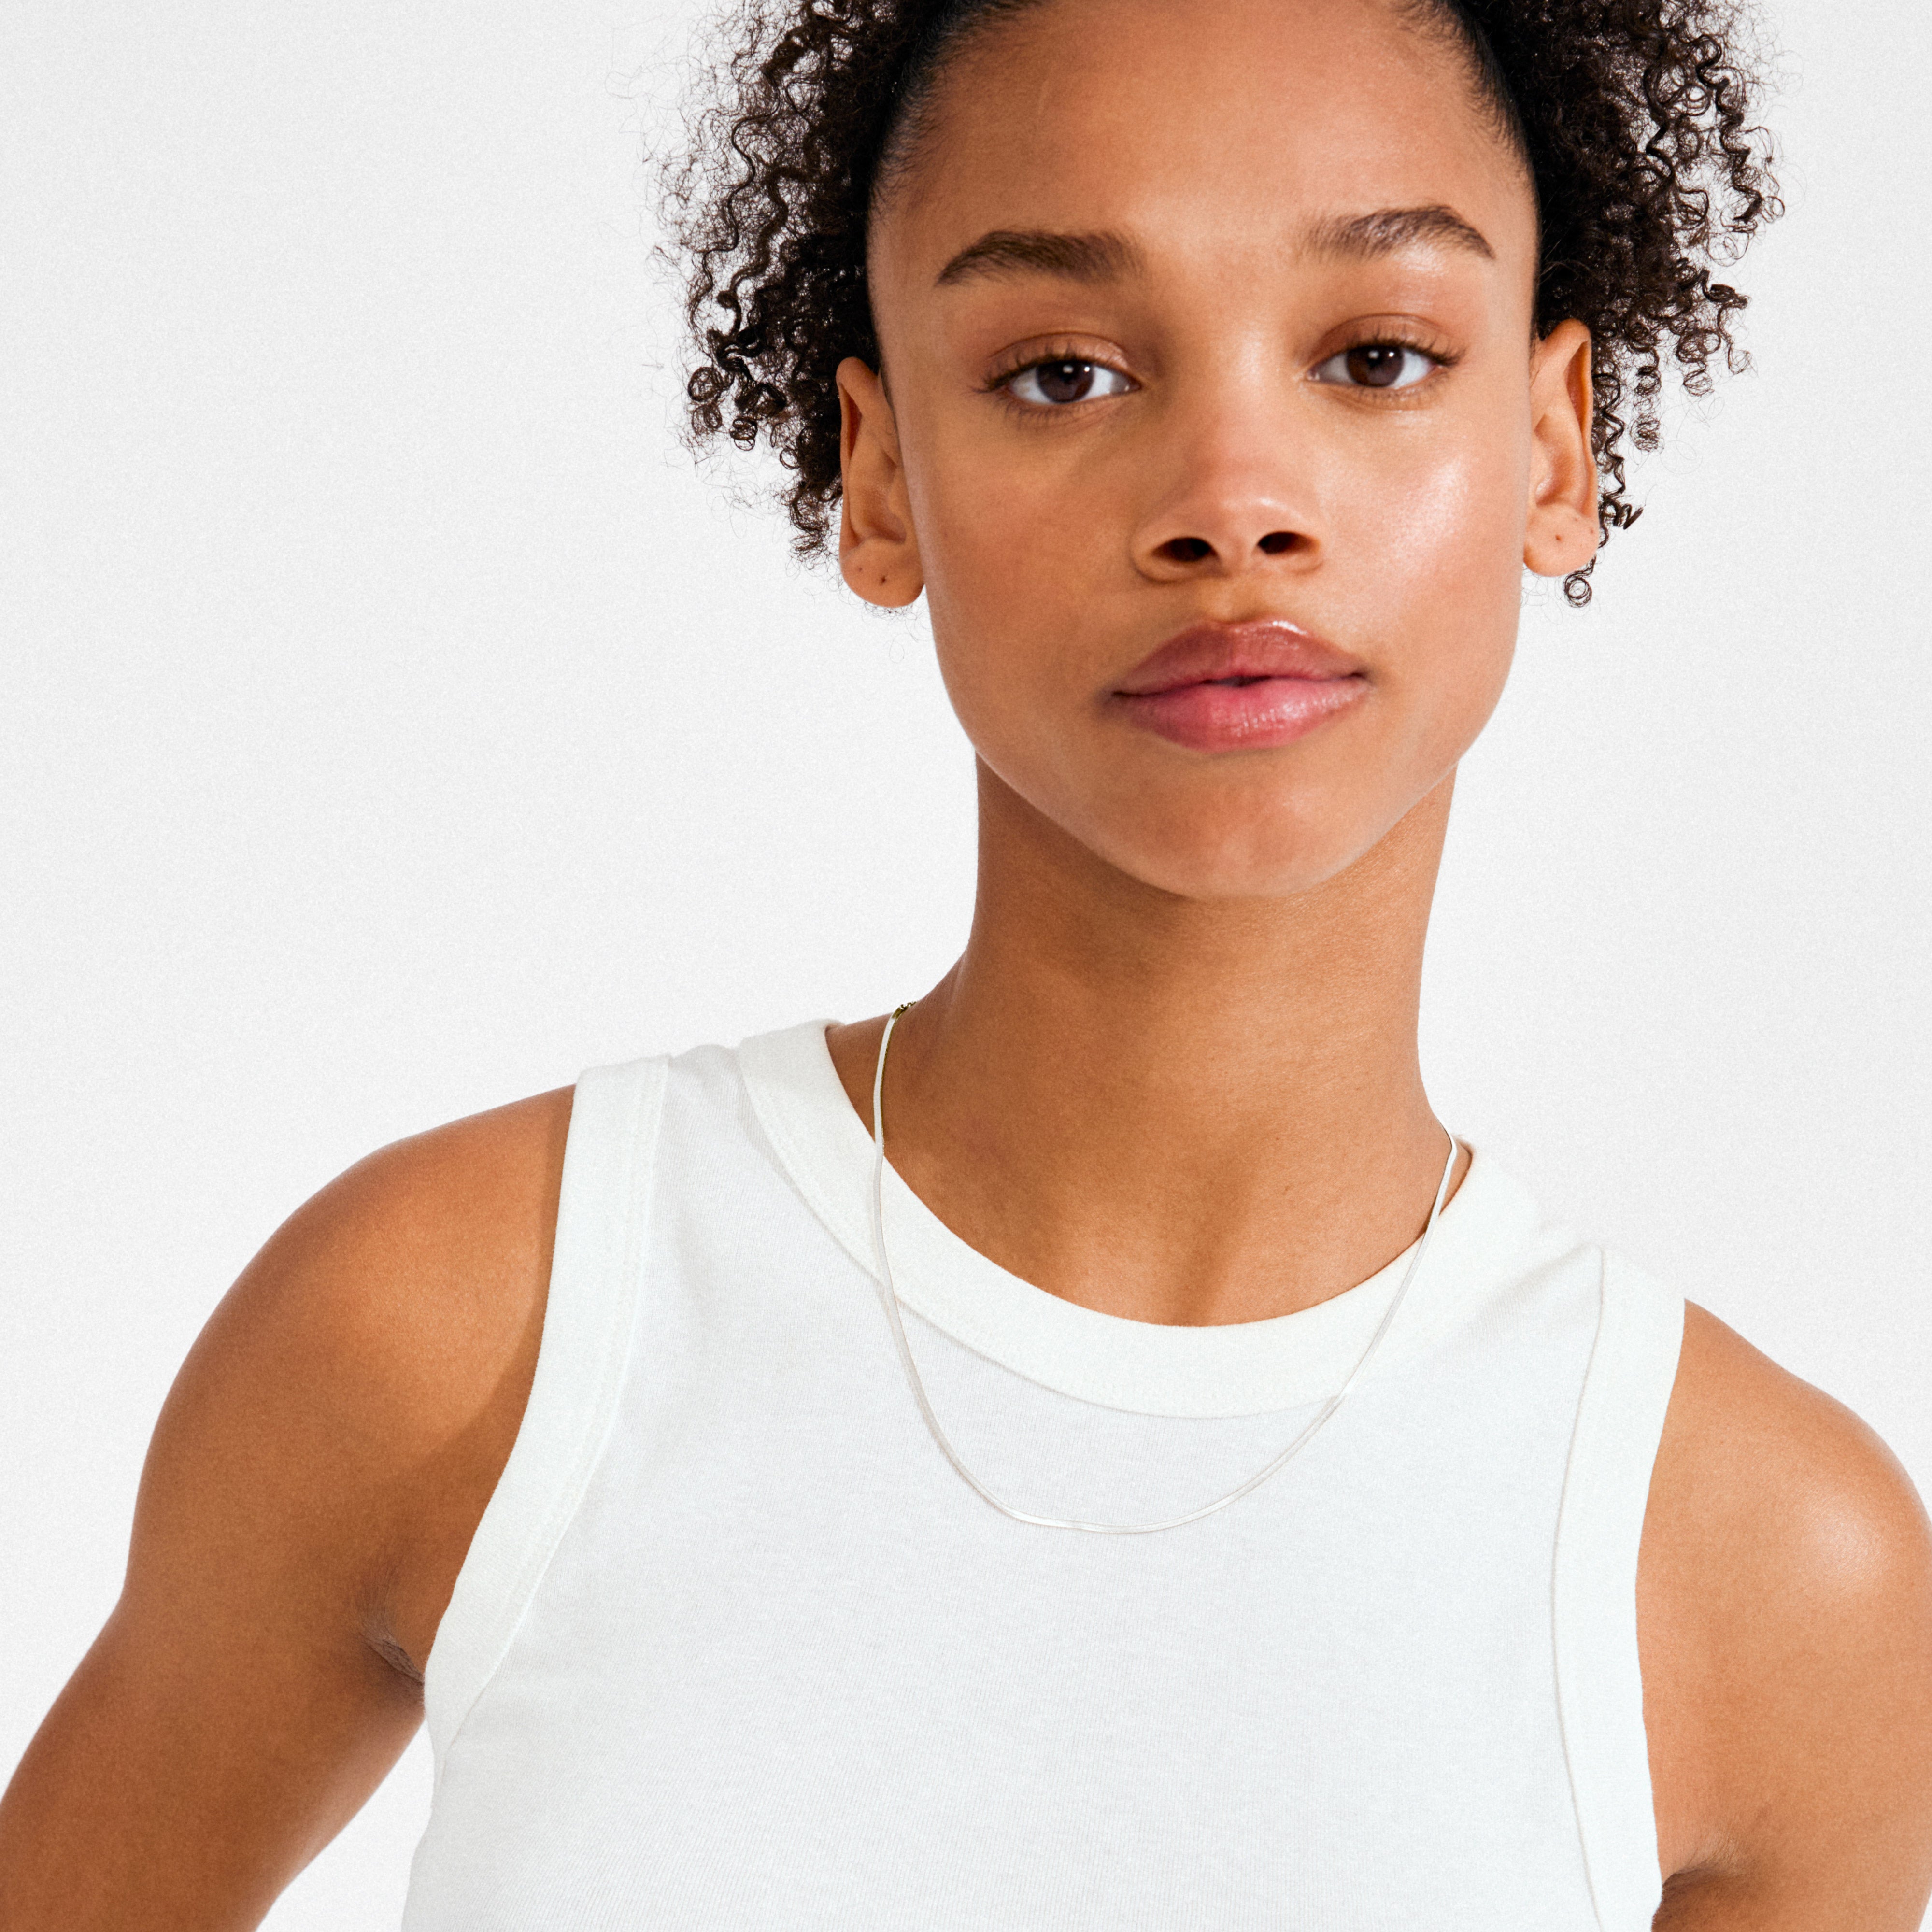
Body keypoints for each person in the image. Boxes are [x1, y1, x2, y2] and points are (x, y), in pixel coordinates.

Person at [4, 0, 1931, 1924]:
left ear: (1550, 444)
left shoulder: (1765, 1572)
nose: (1231, 502)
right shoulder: (458, 1329)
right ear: (879, 475)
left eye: (1373, 354)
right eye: (1063, 373)